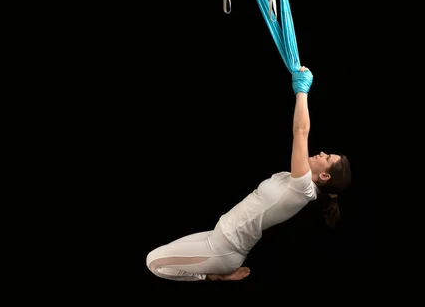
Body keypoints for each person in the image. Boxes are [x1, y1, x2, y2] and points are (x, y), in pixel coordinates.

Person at [145, 66, 352, 281]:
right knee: (162, 256)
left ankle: (213, 276)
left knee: (153, 262)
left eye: (327, 158)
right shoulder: (295, 179)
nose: (322, 153)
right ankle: (216, 274)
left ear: (325, 177)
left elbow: (300, 132)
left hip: (224, 248)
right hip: (218, 237)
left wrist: (302, 91)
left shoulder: (303, 187)